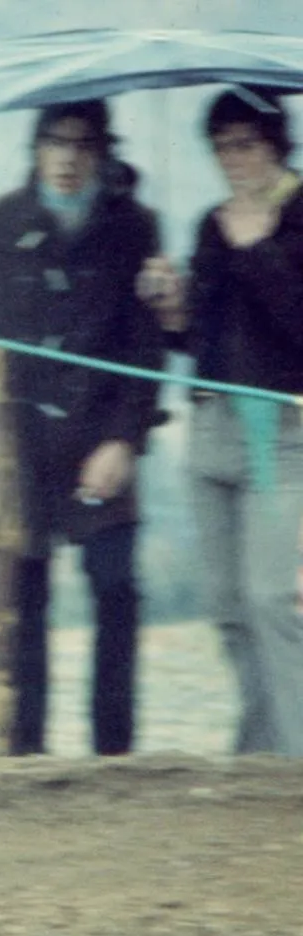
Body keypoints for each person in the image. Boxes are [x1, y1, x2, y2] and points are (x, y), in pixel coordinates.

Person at [0, 100, 165, 757]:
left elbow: (146, 348)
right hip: (21, 448)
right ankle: (27, 758)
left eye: (83, 144)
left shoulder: (134, 227)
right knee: (25, 600)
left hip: (103, 441)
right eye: (56, 142)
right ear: (36, 148)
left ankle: (114, 757)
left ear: (102, 152)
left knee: (116, 590)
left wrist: (124, 440)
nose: (68, 158)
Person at [139, 87, 303, 757]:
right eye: (221, 147)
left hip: (283, 429)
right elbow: (199, 339)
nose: (233, 159)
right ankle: (259, 749)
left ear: (276, 143)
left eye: (245, 144)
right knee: (228, 604)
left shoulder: (296, 214)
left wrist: (259, 248)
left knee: (271, 597)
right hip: (211, 423)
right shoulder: (211, 224)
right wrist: (172, 309)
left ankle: (294, 756)